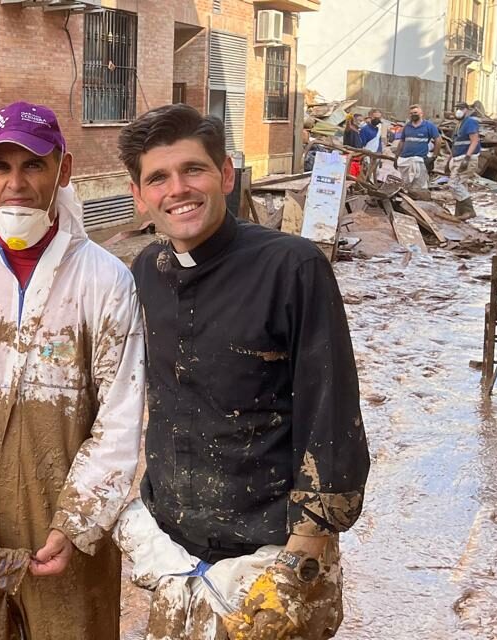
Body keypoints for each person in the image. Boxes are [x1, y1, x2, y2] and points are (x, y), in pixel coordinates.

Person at [111, 104, 370, 640]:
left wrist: (304, 555)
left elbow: (332, 414)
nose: (177, 188)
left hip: (272, 558)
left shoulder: (293, 268)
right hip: (176, 553)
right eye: (158, 178)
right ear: (140, 196)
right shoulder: (146, 271)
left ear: (226, 174)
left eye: (193, 170)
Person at [0, 101, 147, 639]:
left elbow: (120, 419)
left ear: (64, 169)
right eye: (1, 166)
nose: (15, 183)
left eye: (32, 165)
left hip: (63, 528)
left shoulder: (105, 281)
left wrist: (77, 519)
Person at [393, 104, 442, 185]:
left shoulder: (429, 126)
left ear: (421, 114)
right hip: (406, 159)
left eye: (415, 112)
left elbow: (438, 140)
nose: (413, 115)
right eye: (411, 113)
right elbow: (402, 141)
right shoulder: (407, 127)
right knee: (406, 184)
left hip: (420, 160)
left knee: (420, 185)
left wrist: (434, 157)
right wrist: (396, 156)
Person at [449, 100, 482, 219]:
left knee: (454, 184)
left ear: (467, 110)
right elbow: (456, 143)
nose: (458, 111)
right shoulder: (459, 124)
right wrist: (450, 159)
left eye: (461, 108)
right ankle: (460, 213)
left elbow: (474, 141)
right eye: (457, 108)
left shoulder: (470, 122)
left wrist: (467, 158)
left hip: (466, 158)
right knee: (461, 184)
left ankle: (469, 210)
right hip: (458, 157)